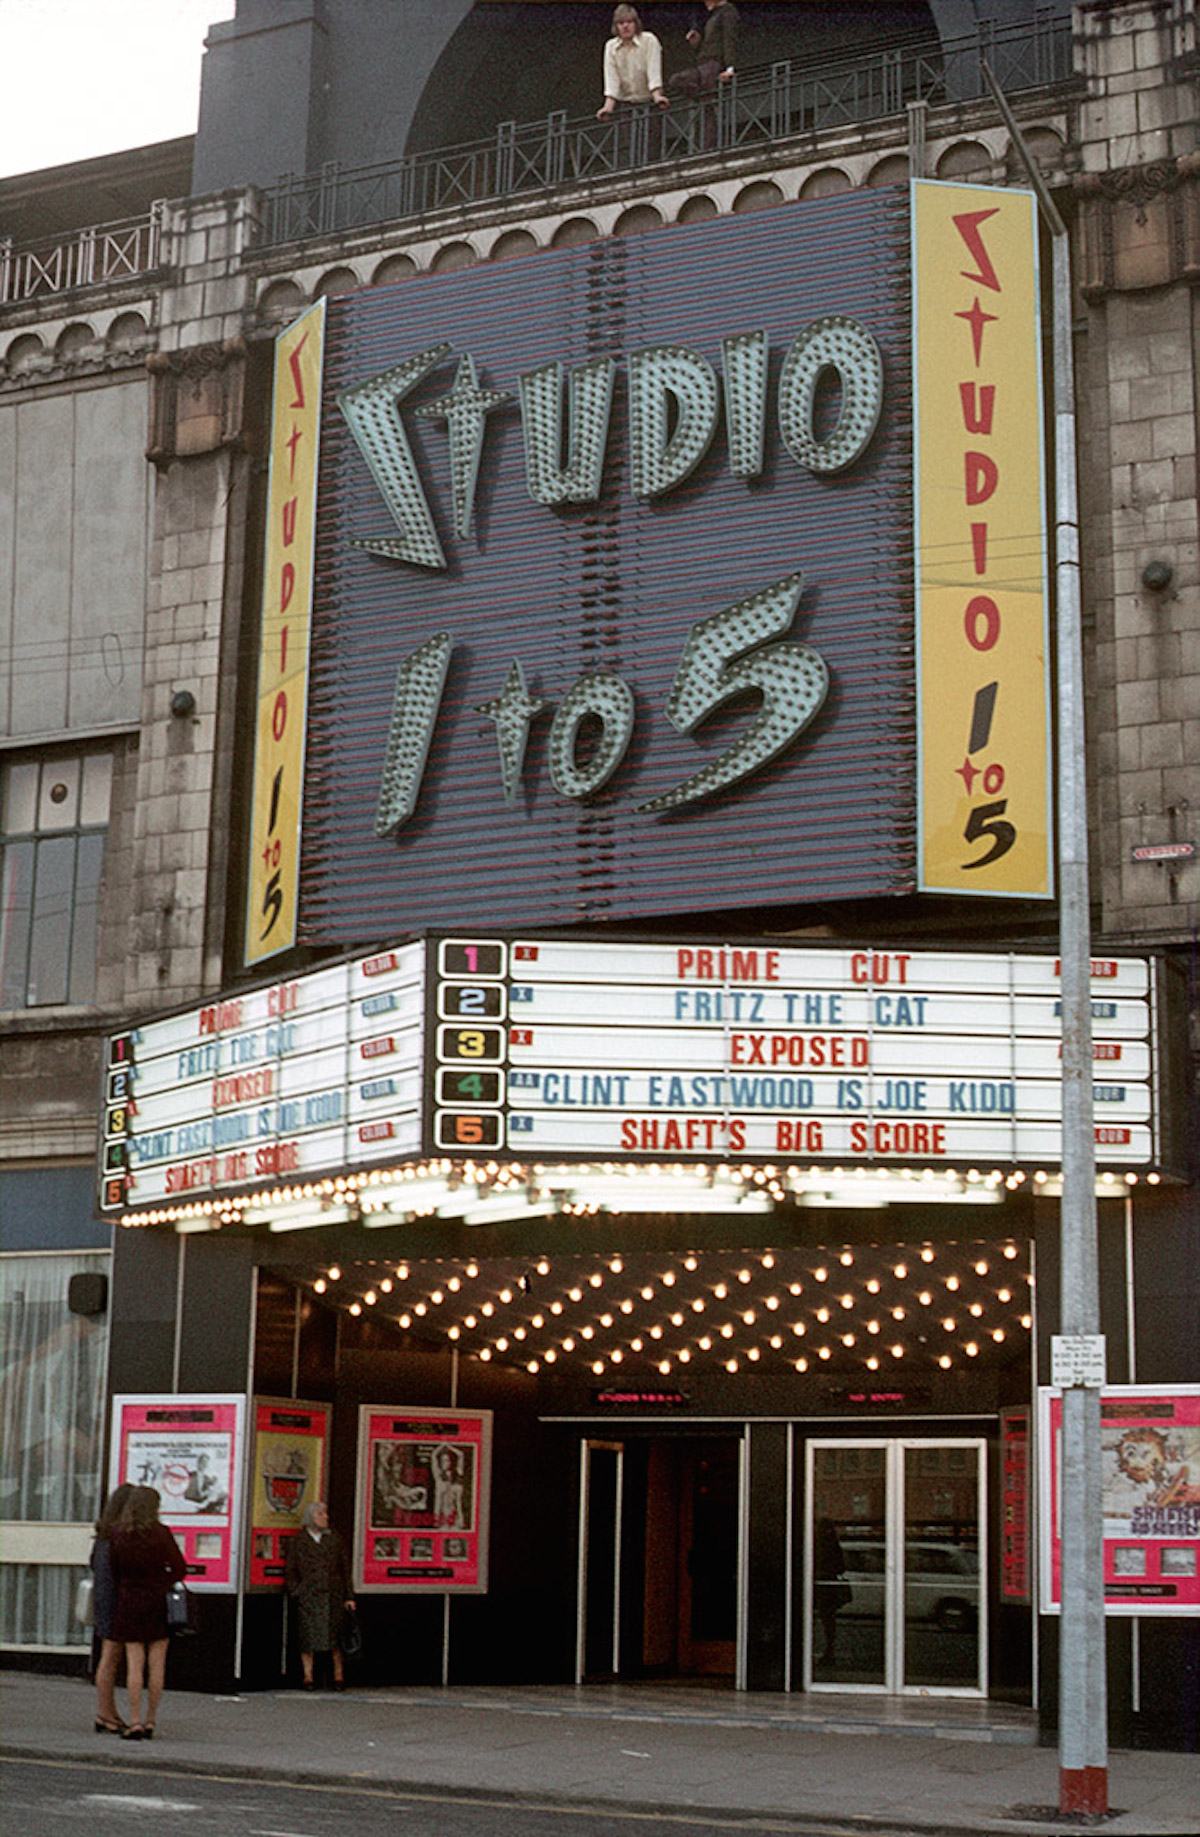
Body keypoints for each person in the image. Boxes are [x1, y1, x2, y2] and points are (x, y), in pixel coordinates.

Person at [109, 1485, 187, 1741]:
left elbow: (114, 1571)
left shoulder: (118, 1533)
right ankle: (151, 1719)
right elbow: (179, 1567)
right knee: (157, 1664)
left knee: (134, 1664)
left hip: (130, 1600)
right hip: (157, 1600)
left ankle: (133, 1720)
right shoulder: (161, 1533)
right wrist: (163, 1580)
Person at [285, 1500, 354, 1691]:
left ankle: (338, 1677)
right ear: (310, 1518)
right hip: (309, 1596)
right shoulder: (297, 1542)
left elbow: (344, 1569)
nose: (326, 1518)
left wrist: (349, 1596)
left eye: (325, 1514)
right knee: (308, 1639)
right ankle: (308, 1677)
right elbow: (290, 1570)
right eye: (320, 1514)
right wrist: (297, 1592)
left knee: (335, 1640)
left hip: (332, 1594)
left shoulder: (335, 1539)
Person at [90, 1481, 134, 1734]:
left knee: (110, 1657)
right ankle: (105, 1713)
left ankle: (107, 1712)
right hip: (116, 1599)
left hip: (103, 1597)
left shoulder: (103, 1535)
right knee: (110, 1657)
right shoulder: (118, 1536)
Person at [597, 5, 668, 118]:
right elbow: (612, 77)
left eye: (629, 22)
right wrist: (608, 107)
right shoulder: (610, 46)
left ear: (636, 23)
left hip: (649, 101)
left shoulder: (649, 40)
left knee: (652, 134)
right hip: (626, 104)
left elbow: (653, 70)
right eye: (621, 23)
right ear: (616, 26)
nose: (625, 26)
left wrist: (657, 96)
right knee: (626, 134)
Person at [669, 0, 739, 97]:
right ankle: (703, 99)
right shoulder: (712, 16)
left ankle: (706, 101)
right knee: (676, 80)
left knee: (708, 92)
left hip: (714, 64)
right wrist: (697, 41)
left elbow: (729, 39)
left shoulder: (728, 12)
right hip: (703, 64)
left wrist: (730, 68)